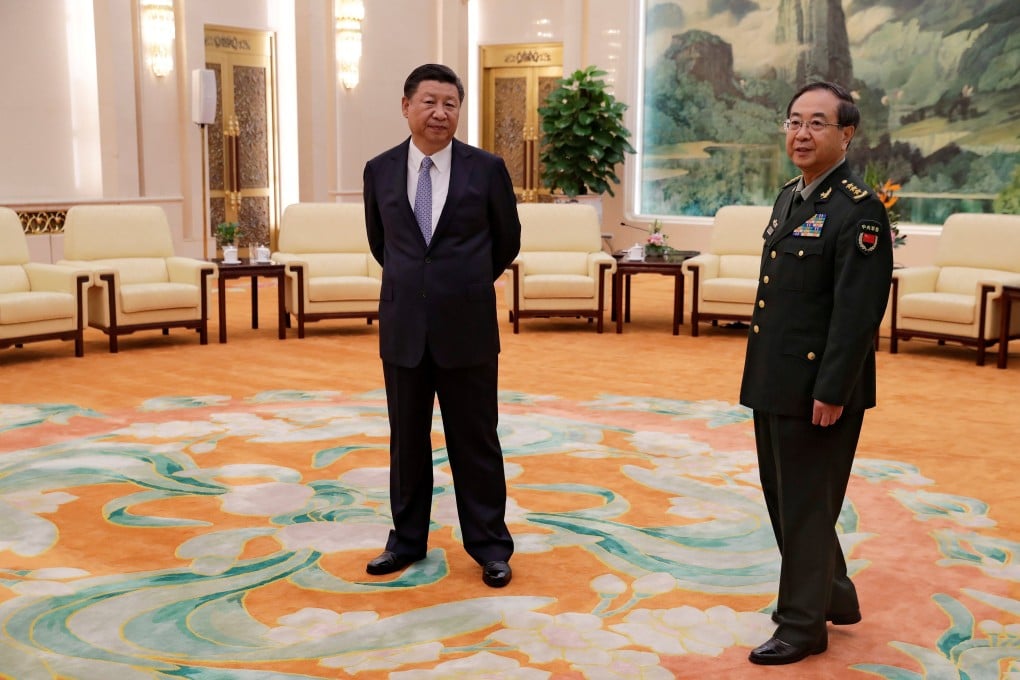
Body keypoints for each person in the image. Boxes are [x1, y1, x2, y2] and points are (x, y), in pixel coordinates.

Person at [739, 81, 893, 665]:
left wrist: (832, 391)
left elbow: (857, 314)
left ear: (846, 134)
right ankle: (832, 594)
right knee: (786, 499)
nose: (801, 134)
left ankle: (802, 626)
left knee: (806, 505)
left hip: (818, 389)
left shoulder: (859, 209)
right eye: (794, 122)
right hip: (774, 379)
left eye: (817, 123)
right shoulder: (791, 197)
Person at [362, 63, 521, 588]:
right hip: (404, 327)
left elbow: (506, 241)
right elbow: (382, 244)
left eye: (450, 103)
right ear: (406, 106)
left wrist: (462, 283)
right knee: (406, 442)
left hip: (467, 326)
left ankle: (490, 546)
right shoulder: (379, 170)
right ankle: (406, 541)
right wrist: (419, 283)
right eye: (429, 101)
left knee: (476, 441)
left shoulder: (487, 169)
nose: (440, 112)